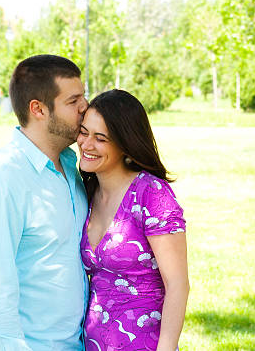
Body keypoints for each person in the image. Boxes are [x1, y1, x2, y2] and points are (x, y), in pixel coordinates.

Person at [0, 55, 89, 350]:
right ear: (38, 109)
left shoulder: (72, 168)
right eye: (73, 101)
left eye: (84, 96)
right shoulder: (0, 180)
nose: (85, 107)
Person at [78, 89, 189, 351]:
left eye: (100, 138)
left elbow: (178, 284)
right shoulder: (88, 192)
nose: (86, 144)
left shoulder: (151, 194)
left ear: (124, 143)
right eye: (84, 132)